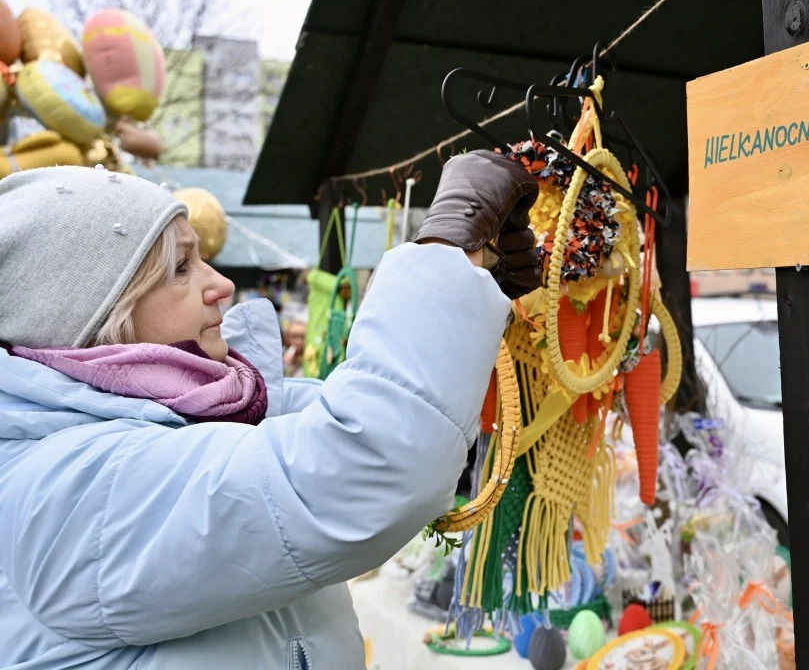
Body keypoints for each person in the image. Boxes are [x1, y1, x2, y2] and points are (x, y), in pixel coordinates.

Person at [0, 152, 539, 667]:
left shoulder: (214, 411)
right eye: (181, 268)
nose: (222, 285)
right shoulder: (64, 491)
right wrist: (447, 248)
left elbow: (355, 413)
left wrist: (470, 288)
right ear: (94, 315)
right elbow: (363, 459)